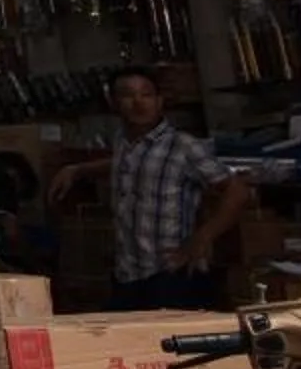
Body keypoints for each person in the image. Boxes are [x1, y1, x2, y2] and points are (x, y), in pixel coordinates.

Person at [50, 65, 250, 309]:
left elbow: (237, 190)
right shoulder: (124, 143)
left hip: (170, 273)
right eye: (127, 95)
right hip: (127, 274)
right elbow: (131, 163)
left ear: (159, 101)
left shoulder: (183, 146)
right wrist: (78, 169)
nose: (138, 103)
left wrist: (203, 236)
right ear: (113, 103)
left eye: (146, 95)